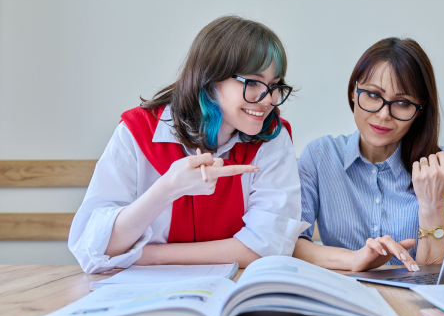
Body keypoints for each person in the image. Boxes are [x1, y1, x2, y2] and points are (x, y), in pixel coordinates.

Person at [69, 16, 309, 274]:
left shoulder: (272, 137)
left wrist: (149, 256)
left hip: (234, 290)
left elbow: (267, 247)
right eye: (253, 82)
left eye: (274, 86)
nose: (268, 99)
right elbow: (93, 248)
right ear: (210, 77)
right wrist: (167, 189)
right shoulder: (137, 131)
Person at [293, 37, 444, 272]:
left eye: (403, 102)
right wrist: (355, 258)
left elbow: (438, 274)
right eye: (374, 95)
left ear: (419, 110)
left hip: (412, 302)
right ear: (354, 92)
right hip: (343, 296)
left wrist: (432, 205)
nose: (384, 114)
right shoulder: (319, 156)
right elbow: (293, 243)